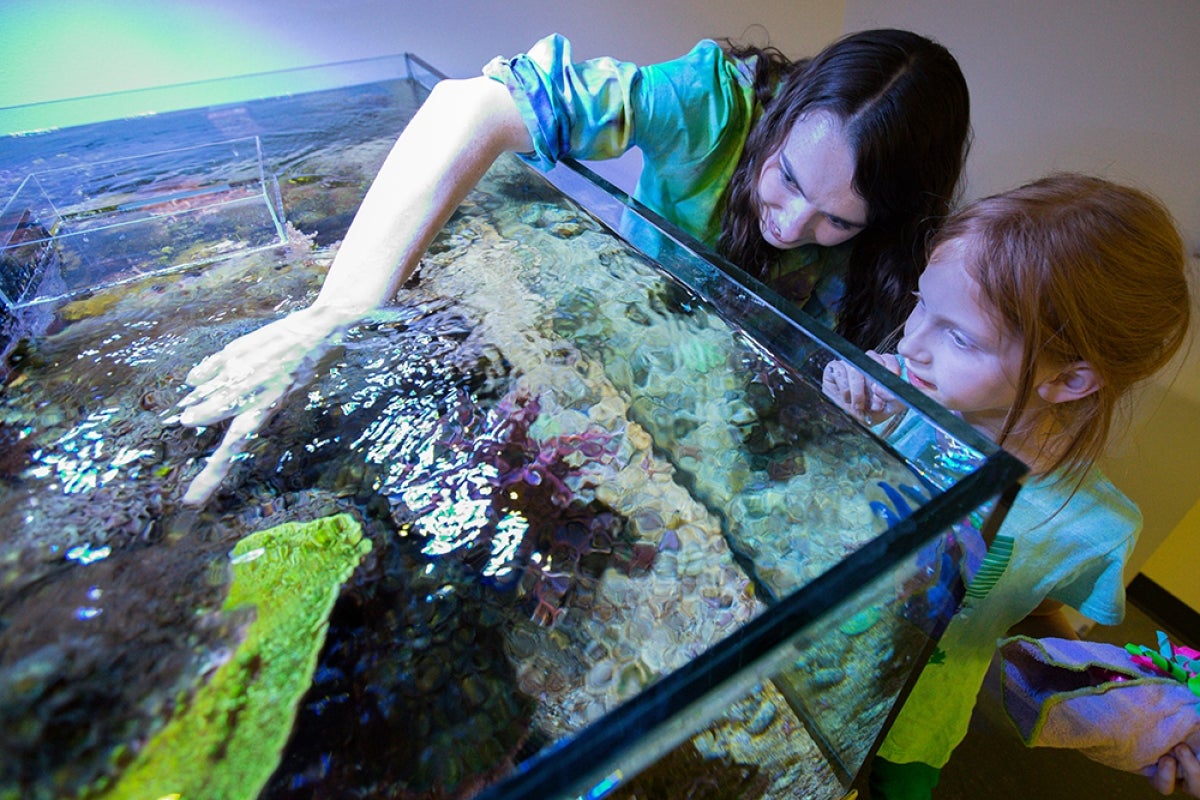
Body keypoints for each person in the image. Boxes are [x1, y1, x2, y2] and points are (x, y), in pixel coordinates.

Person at [175, 28, 971, 505]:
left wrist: (870, 382)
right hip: (624, 365)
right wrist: (338, 311)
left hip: (741, 425)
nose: (794, 223)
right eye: (788, 178)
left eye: (839, 220)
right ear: (783, 114)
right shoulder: (708, 106)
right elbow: (472, 105)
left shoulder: (903, 255)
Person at [820, 173, 1192, 799]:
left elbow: (1039, 613)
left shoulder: (1096, 527)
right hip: (823, 674)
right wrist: (843, 409)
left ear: (1072, 381)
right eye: (920, 303)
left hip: (921, 719)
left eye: (960, 336)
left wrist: (1131, 711)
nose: (911, 340)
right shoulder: (901, 399)